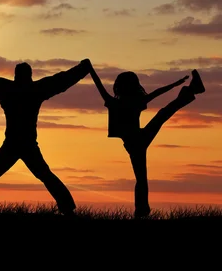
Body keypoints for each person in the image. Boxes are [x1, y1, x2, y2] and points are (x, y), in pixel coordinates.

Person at [0, 59, 92, 217]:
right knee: (42, 175)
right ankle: (68, 209)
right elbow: (61, 80)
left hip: (15, 144)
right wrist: (81, 70)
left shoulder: (8, 89)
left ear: (16, 76)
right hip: (23, 144)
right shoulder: (35, 89)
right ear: (29, 76)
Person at [86, 62, 205, 218]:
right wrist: (177, 83)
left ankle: (142, 210)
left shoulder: (115, 102)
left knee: (141, 177)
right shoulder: (134, 101)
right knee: (163, 114)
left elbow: (99, 84)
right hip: (138, 140)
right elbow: (157, 92)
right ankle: (141, 210)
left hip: (135, 141)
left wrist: (89, 69)